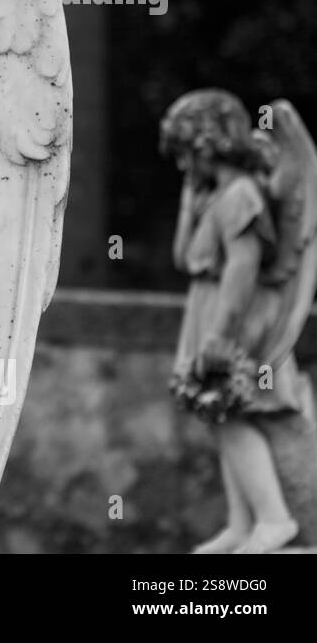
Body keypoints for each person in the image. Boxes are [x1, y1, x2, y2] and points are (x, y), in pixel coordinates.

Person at [162, 89, 305, 554]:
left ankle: (274, 518)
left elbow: (243, 269)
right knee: (220, 417)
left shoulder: (243, 195)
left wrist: (222, 336)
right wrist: (189, 198)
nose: (182, 167)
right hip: (206, 310)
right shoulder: (214, 197)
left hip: (231, 319)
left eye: (185, 156)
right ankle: (243, 522)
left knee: (231, 417)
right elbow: (184, 259)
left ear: (205, 146)